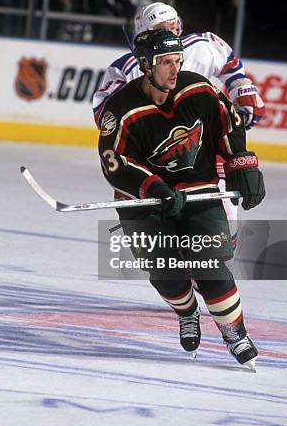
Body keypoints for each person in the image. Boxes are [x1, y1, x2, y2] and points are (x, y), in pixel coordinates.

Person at [98, 29, 265, 368]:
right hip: (144, 202)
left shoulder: (200, 91)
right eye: (166, 63)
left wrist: (241, 163)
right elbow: (115, 164)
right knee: (166, 274)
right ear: (146, 65)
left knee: (211, 268)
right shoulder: (121, 108)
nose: (174, 70)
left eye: (178, 61)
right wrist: (155, 188)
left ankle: (234, 332)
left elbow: (230, 128)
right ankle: (188, 312)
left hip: (198, 192)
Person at [92, 1, 266, 247]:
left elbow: (231, 67)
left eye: (175, 28)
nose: (173, 35)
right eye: (164, 28)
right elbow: (106, 115)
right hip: (157, 152)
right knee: (166, 224)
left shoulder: (202, 45)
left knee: (224, 218)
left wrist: (242, 88)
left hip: (202, 142)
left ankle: (209, 267)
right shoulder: (126, 69)